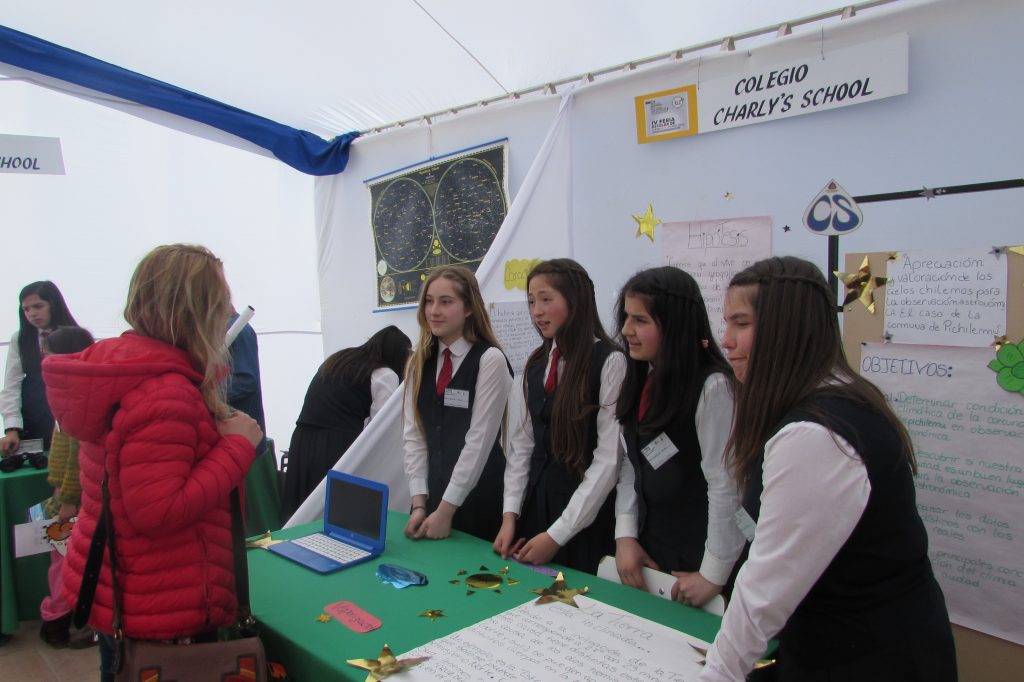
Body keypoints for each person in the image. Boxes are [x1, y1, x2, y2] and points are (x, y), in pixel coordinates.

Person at [700, 256, 957, 681]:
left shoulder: (816, 436)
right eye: (726, 324)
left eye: (740, 324)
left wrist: (719, 674)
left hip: (869, 658)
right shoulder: (835, 398)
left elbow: (764, 591)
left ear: (786, 328)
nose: (725, 341)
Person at [42, 244, 263, 682]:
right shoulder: (166, 393)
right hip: (162, 603)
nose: (229, 312)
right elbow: (157, 510)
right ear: (194, 311)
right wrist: (237, 447)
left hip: (133, 589)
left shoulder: (130, 371)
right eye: (221, 300)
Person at [612, 267, 744, 607]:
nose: (626, 330)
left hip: (698, 564)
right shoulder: (640, 376)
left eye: (640, 320)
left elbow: (726, 486)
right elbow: (630, 464)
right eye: (626, 317)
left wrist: (713, 574)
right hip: (652, 554)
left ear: (674, 325)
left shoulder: (712, 387)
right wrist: (625, 535)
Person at [494, 258, 626, 574]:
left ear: (575, 300)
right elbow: (522, 447)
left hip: (583, 518)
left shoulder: (610, 362)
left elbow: (608, 461)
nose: (536, 311)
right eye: (531, 302)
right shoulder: (536, 364)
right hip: (536, 510)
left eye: (545, 299)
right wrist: (510, 515)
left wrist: (557, 535)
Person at [403, 267, 512, 542]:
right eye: (429, 301)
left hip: (478, 501)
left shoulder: (490, 360)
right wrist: (419, 503)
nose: (434, 311)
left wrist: (445, 511)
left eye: (446, 302)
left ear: (469, 308)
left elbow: (478, 442)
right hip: (432, 499)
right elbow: (414, 436)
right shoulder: (419, 362)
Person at [282, 325, 411, 518]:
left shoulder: (338, 360)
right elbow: (381, 427)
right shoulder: (384, 374)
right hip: (335, 444)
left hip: (302, 439)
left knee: (304, 507)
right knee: (334, 511)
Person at [38, 326, 97, 650]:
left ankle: (59, 618)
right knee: (67, 558)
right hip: (71, 494)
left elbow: (76, 452)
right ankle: (63, 618)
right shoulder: (74, 391)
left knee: (65, 560)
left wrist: (67, 497)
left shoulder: (74, 395)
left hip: (74, 497)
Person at [1, 281, 78, 453]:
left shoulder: (76, 336)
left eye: (38, 306)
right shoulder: (20, 339)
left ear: (54, 304)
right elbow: (11, 385)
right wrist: (12, 428)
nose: (32, 313)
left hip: (70, 423)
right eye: (26, 309)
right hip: (33, 421)